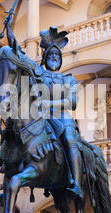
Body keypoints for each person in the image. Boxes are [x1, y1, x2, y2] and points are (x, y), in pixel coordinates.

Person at [6, 20, 83, 200]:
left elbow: (72, 102)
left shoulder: (68, 80)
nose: (54, 56)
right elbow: (17, 54)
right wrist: (10, 31)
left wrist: (49, 104)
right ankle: (7, 175)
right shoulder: (38, 72)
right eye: (51, 54)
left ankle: (77, 184)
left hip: (62, 118)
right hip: (40, 118)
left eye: (57, 54)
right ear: (46, 56)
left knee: (69, 139)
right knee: (12, 132)